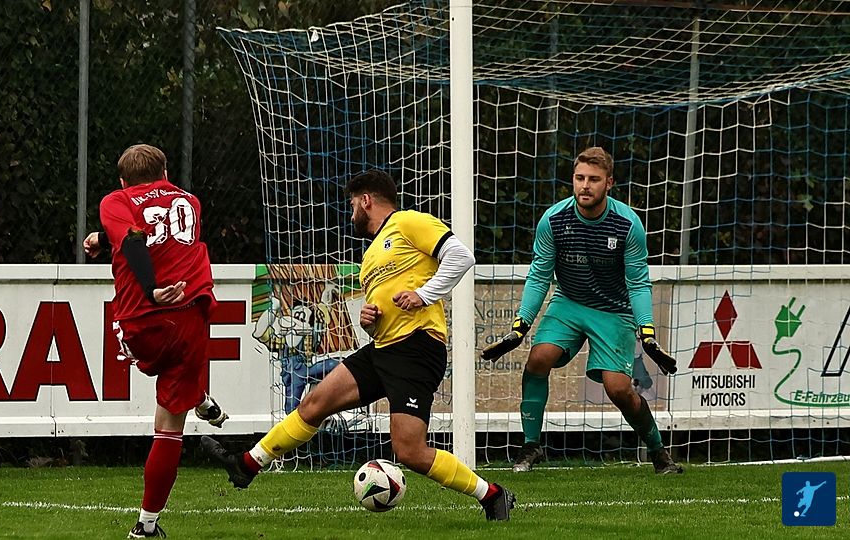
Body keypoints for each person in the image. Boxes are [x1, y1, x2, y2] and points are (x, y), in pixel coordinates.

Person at [203, 170, 517, 520]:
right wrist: (370, 320)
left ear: (366, 200)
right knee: (314, 404)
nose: (351, 212)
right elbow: (384, 315)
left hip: (416, 349)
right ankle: (247, 464)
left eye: (352, 204)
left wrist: (423, 294)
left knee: (409, 451)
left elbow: (461, 257)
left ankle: (493, 495)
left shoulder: (408, 222)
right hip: (383, 348)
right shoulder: (370, 257)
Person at [482, 147, 683, 475]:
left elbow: (638, 282)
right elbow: (540, 275)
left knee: (618, 389)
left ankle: (658, 451)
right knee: (538, 358)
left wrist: (646, 331)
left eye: (594, 179)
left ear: (609, 183)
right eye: (579, 178)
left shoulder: (627, 224)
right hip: (569, 302)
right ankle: (530, 446)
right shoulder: (553, 220)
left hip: (613, 311)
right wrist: (521, 326)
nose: (585, 185)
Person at [83, 144, 229, 538]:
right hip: (189, 314)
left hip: (141, 320)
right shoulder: (190, 202)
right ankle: (146, 524)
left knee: (164, 375)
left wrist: (151, 289)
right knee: (169, 425)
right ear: (165, 172)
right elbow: (157, 229)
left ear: (122, 181)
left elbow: (135, 238)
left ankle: (198, 396)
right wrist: (105, 239)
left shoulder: (116, 200)